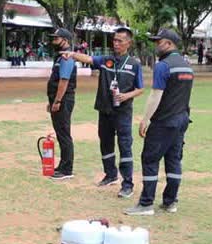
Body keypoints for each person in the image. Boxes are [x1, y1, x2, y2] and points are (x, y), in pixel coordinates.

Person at [62, 27, 144, 198]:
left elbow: (140, 89)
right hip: (105, 109)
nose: (116, 43)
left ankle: (127, 184)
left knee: (125, 146)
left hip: (123, 112)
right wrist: (72, 54)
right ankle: (110, 174)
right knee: (105, 143)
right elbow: (89, 59)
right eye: (114, 40)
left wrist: (126, 96)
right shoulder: (107, 60)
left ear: (128, 43)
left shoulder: (134, 64)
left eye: (120, 41)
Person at [124, 29, 194, 216]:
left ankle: (146, 203)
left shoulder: (163, 66)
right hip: (181, 120)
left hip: (164, 121)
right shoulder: (187, 66)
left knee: (150, 159)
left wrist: (145, 120)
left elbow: (156, 95)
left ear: (169, 44)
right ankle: (170, 202)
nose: (156, 45)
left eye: (159, 42)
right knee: (174, 160)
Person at [47, 28, 77, 180]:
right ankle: (63, 165)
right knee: (60, 133)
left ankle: (67, 169)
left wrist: (57, 101)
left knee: (64, 133)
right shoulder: (59, 58)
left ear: (65, 40)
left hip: (63, 100)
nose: (53, 41)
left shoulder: (66, 58)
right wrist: (52, 101)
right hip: (58, 99)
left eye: (56, 39)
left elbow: (64, 82)